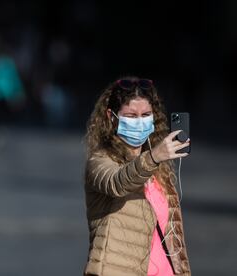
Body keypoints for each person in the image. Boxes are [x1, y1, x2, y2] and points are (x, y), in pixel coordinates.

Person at [83, 77, 191, 275]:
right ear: (111, 116)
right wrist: (154, 156)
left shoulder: (158, 170)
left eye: (146, 114)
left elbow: (171, 238)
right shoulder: (100, 160)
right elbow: (117, 183)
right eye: (131, 116)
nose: (140, 122)